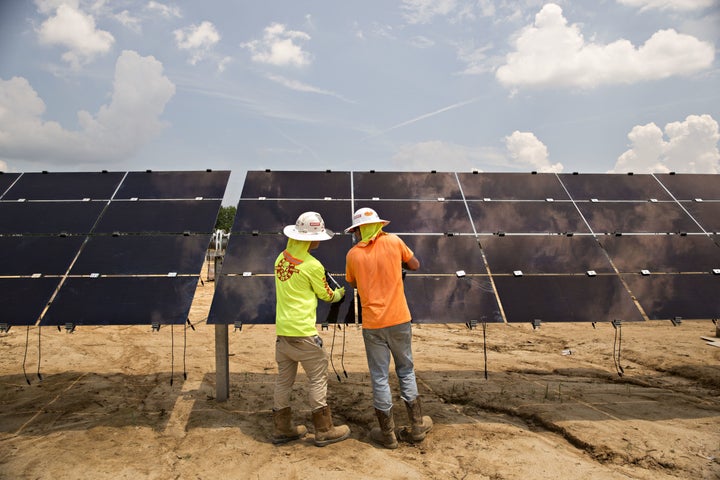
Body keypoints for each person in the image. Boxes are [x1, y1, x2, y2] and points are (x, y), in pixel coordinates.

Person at [344, 207, 432, 449]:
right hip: (400, 320)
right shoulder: (394, 241)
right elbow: (415, 265)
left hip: (372, 324)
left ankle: (388, 435)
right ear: (379, 225)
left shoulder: (353, 254)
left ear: (359, 229)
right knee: (406, 371)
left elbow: (350, 281)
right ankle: (416, 427)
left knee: (380, 377)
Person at [272, 211, 351, 447]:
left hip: (283, 333)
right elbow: (326, 295)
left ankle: (282, 428)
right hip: (304, 334)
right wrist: (339, 294)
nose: (319, 241)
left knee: (283, 381)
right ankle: (324, 429)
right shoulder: (312, 265)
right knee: (317, 379)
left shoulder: (280, 259)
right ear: (308, 238)